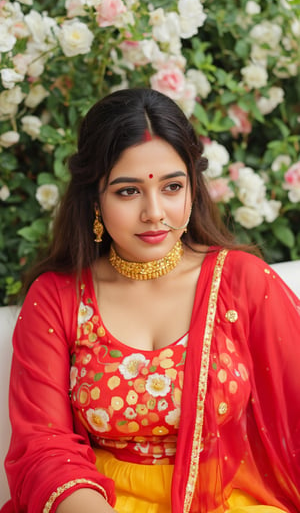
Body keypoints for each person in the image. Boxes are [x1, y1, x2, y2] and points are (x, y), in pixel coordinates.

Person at [1, 87, 300, 513]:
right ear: (95, 199)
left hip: (228, 500)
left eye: (172, 187)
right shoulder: (59, 298)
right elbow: (44, 448)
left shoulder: (241, 282)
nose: (155, 212)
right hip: (99, 503)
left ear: (193, 190)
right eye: (128, 191)